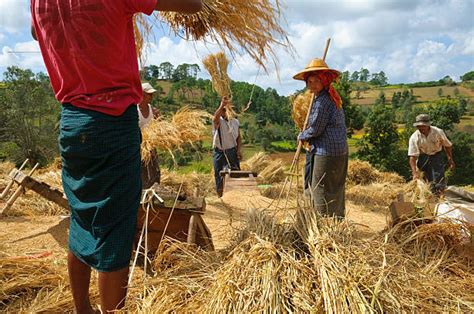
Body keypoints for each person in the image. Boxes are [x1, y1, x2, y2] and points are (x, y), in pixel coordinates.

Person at [31, 0, 202, 312]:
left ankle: (82, 308)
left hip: (72, 123)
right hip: (110, 123)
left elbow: (33, 29)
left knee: (81, 221)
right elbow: (193, 5)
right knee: (116, 234)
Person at [293, 58, 348, 218]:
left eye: (317, 80)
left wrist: (301, 135)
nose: (313, 84)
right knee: (335, 187)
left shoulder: (322, 101)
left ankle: (322, 221)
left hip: (326, 152)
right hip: (340, 150)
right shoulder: (332, 98)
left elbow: (316, 129)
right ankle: (336, 218)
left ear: (324, 80)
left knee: (320, 187)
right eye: (310, 81)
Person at [408, 114, 455, 194]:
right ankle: (428, 197)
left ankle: (438, 197)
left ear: (428, 125)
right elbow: (412, 156)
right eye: (419, 126)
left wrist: (450, 159)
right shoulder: (414, 137)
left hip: (436, 156)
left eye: (423, 126)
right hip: (423, 157)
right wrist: (414, 172)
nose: (421, 128)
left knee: (438, 179)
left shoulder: (438, 132)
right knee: (426, 180)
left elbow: (447, 146)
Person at [212, 96, 242, 197]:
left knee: (234, 173)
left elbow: (238, 138)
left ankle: (235, 196)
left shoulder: (235, 122)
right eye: (224, 110)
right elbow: (214, 118)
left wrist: (238, 151)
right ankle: (220, 196)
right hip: (219, 152)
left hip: (232, 151)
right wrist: (222, 105)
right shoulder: (219, 121)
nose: (226, 112)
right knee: (218, 175)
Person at [139, 82, 161, 188]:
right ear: (142, 94)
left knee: (155, 171)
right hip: (139, 148)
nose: (151, 96)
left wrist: (159, 119)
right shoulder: (135, 110)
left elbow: (158, 127)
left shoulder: (153, 110)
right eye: (149, 94)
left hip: (151, 146)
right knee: (142, 173)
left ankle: (155, 193)